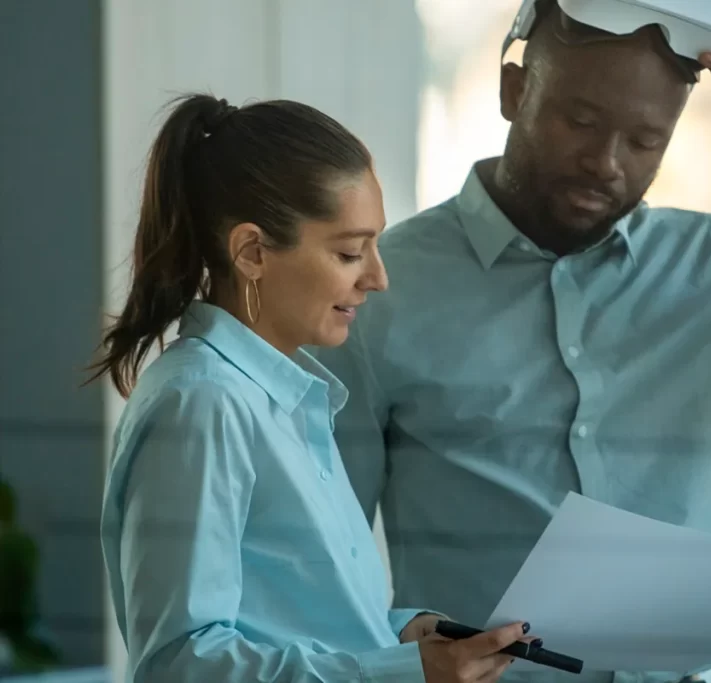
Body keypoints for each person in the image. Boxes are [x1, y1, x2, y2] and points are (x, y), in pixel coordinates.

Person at [323, 2, 711, 682]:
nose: (606, 162)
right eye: (580, 121)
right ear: (515, 92)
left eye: (644, 141)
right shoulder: (379, 291)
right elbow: (327, 554)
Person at [88, 93, 532, 683]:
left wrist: (401, 634)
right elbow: (179, 663)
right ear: (252, 252)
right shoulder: (203, 404)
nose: (378, 277)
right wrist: (402, 675)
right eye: (350, 251)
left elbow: (289, 620)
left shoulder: (284, 401)